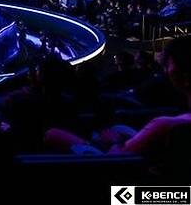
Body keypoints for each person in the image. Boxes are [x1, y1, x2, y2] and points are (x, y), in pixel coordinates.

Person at [45, 36, 191, 159]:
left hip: (117, 166)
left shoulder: (164, 124)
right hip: (137, 152)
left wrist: (114, 142)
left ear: (185, 77)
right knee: (118, 128)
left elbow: (117, 161)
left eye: (168, 64)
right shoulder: (175, 119)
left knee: (53, 134)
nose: (165, 70)